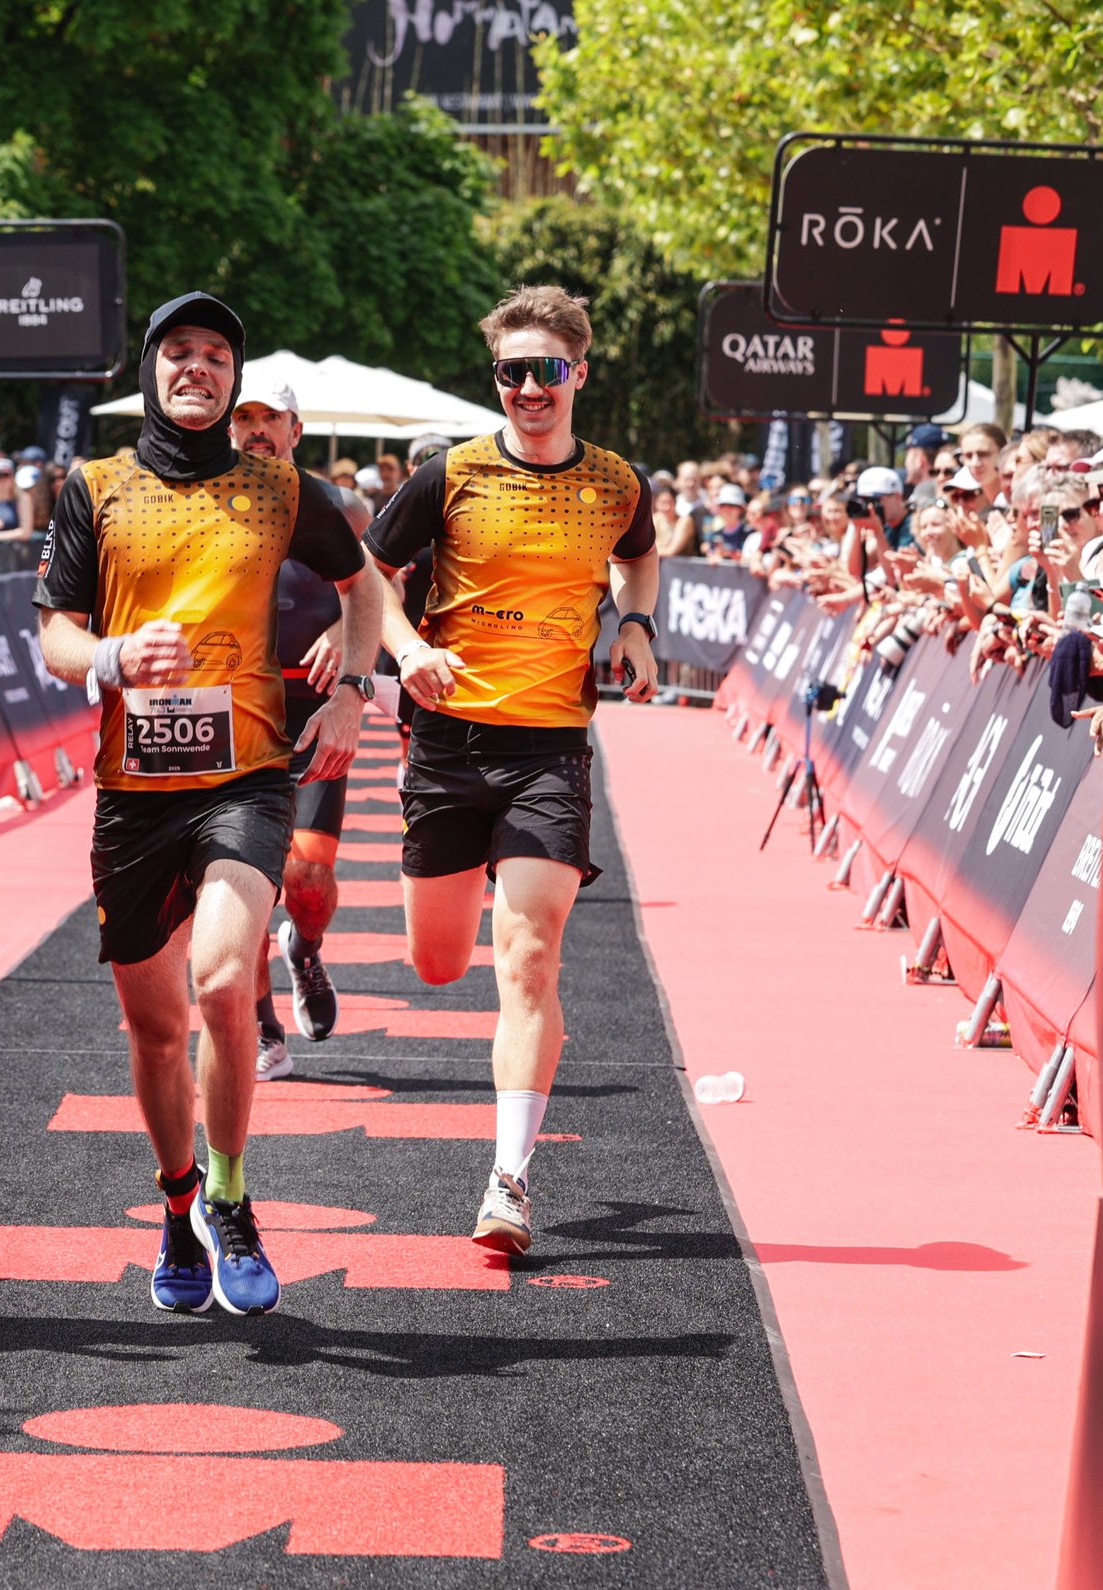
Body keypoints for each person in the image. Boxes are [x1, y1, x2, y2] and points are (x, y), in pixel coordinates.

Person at [36, 293, 378, 1318]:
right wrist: (109, 655)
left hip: (247, 775)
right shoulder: (92, 487)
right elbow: (52, 635)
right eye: (179, 352)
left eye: (216, 355)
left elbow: (363, 588)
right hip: (133, 791)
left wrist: (354, 691)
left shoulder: (282, 491)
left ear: (235, 378)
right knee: (152, 1028)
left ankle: (230, 1197)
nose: (197, 367)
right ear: (152, 369)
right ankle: (177, 1203)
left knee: (225, 979)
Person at [361, 283, 658, 1260]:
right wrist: (404, 651)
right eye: (511, 372)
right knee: (438, 961)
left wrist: (637, 625)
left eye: (547, 370)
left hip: (549, 747)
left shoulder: (616, 481)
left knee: (528, 958)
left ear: (580, 371)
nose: (529, 388)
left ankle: (509, 1179)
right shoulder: (448, 475)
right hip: (446, 744)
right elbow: (372, 574)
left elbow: (637, 557)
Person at [226, 381, 359, 1080]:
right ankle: (262, 1026)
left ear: (295, 428)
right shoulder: (199, 502)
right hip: (231, 716)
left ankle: (305, 950)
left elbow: (377, 591)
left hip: (311, 714)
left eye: (268, 418)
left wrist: (343, 634)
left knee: (307, 876)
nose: (255, 430)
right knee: (241, 883)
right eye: (243, 417)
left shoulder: (334, 505)